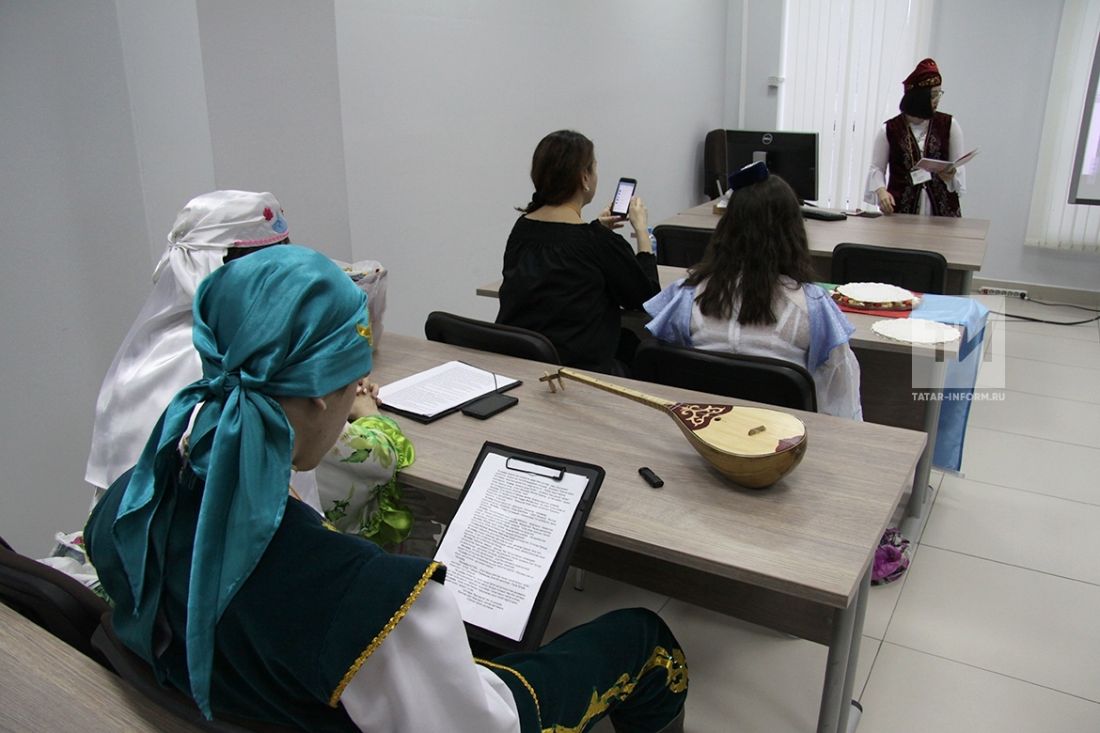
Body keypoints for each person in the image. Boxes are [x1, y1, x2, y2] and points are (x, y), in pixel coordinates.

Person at [84, 246, 688, 733]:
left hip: (253, 694)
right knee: (643, 636)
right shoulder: (367, 603)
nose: (361, 391)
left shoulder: (127, 508)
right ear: (321, 396)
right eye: (356, 378)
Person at [644, 163, 862, 420]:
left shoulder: (687, 297)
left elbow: (664, 374)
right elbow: (841, 399)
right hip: (781, 439)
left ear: (726, 228)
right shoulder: (812, 307)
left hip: (702, 432)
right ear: (793, 232)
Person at [496, 130, 660, 375]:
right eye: (594, 168)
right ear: (584, 177)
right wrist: (642, 233)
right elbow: (648, 301)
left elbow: (561, 253)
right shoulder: (598, 242)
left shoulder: (522, 228)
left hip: (521, 361)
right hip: (578, 373)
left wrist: (597, 229)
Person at [865, 57, 967, 216]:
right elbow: (877, 168)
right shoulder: (889, 129)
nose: (937, 100)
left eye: (939, 94)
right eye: (933, 95)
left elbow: (958, 165)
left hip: (942, 211)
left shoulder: (949, 125)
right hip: (901, 209)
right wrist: (881, 191)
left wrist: (951, 174)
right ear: (919, 97)